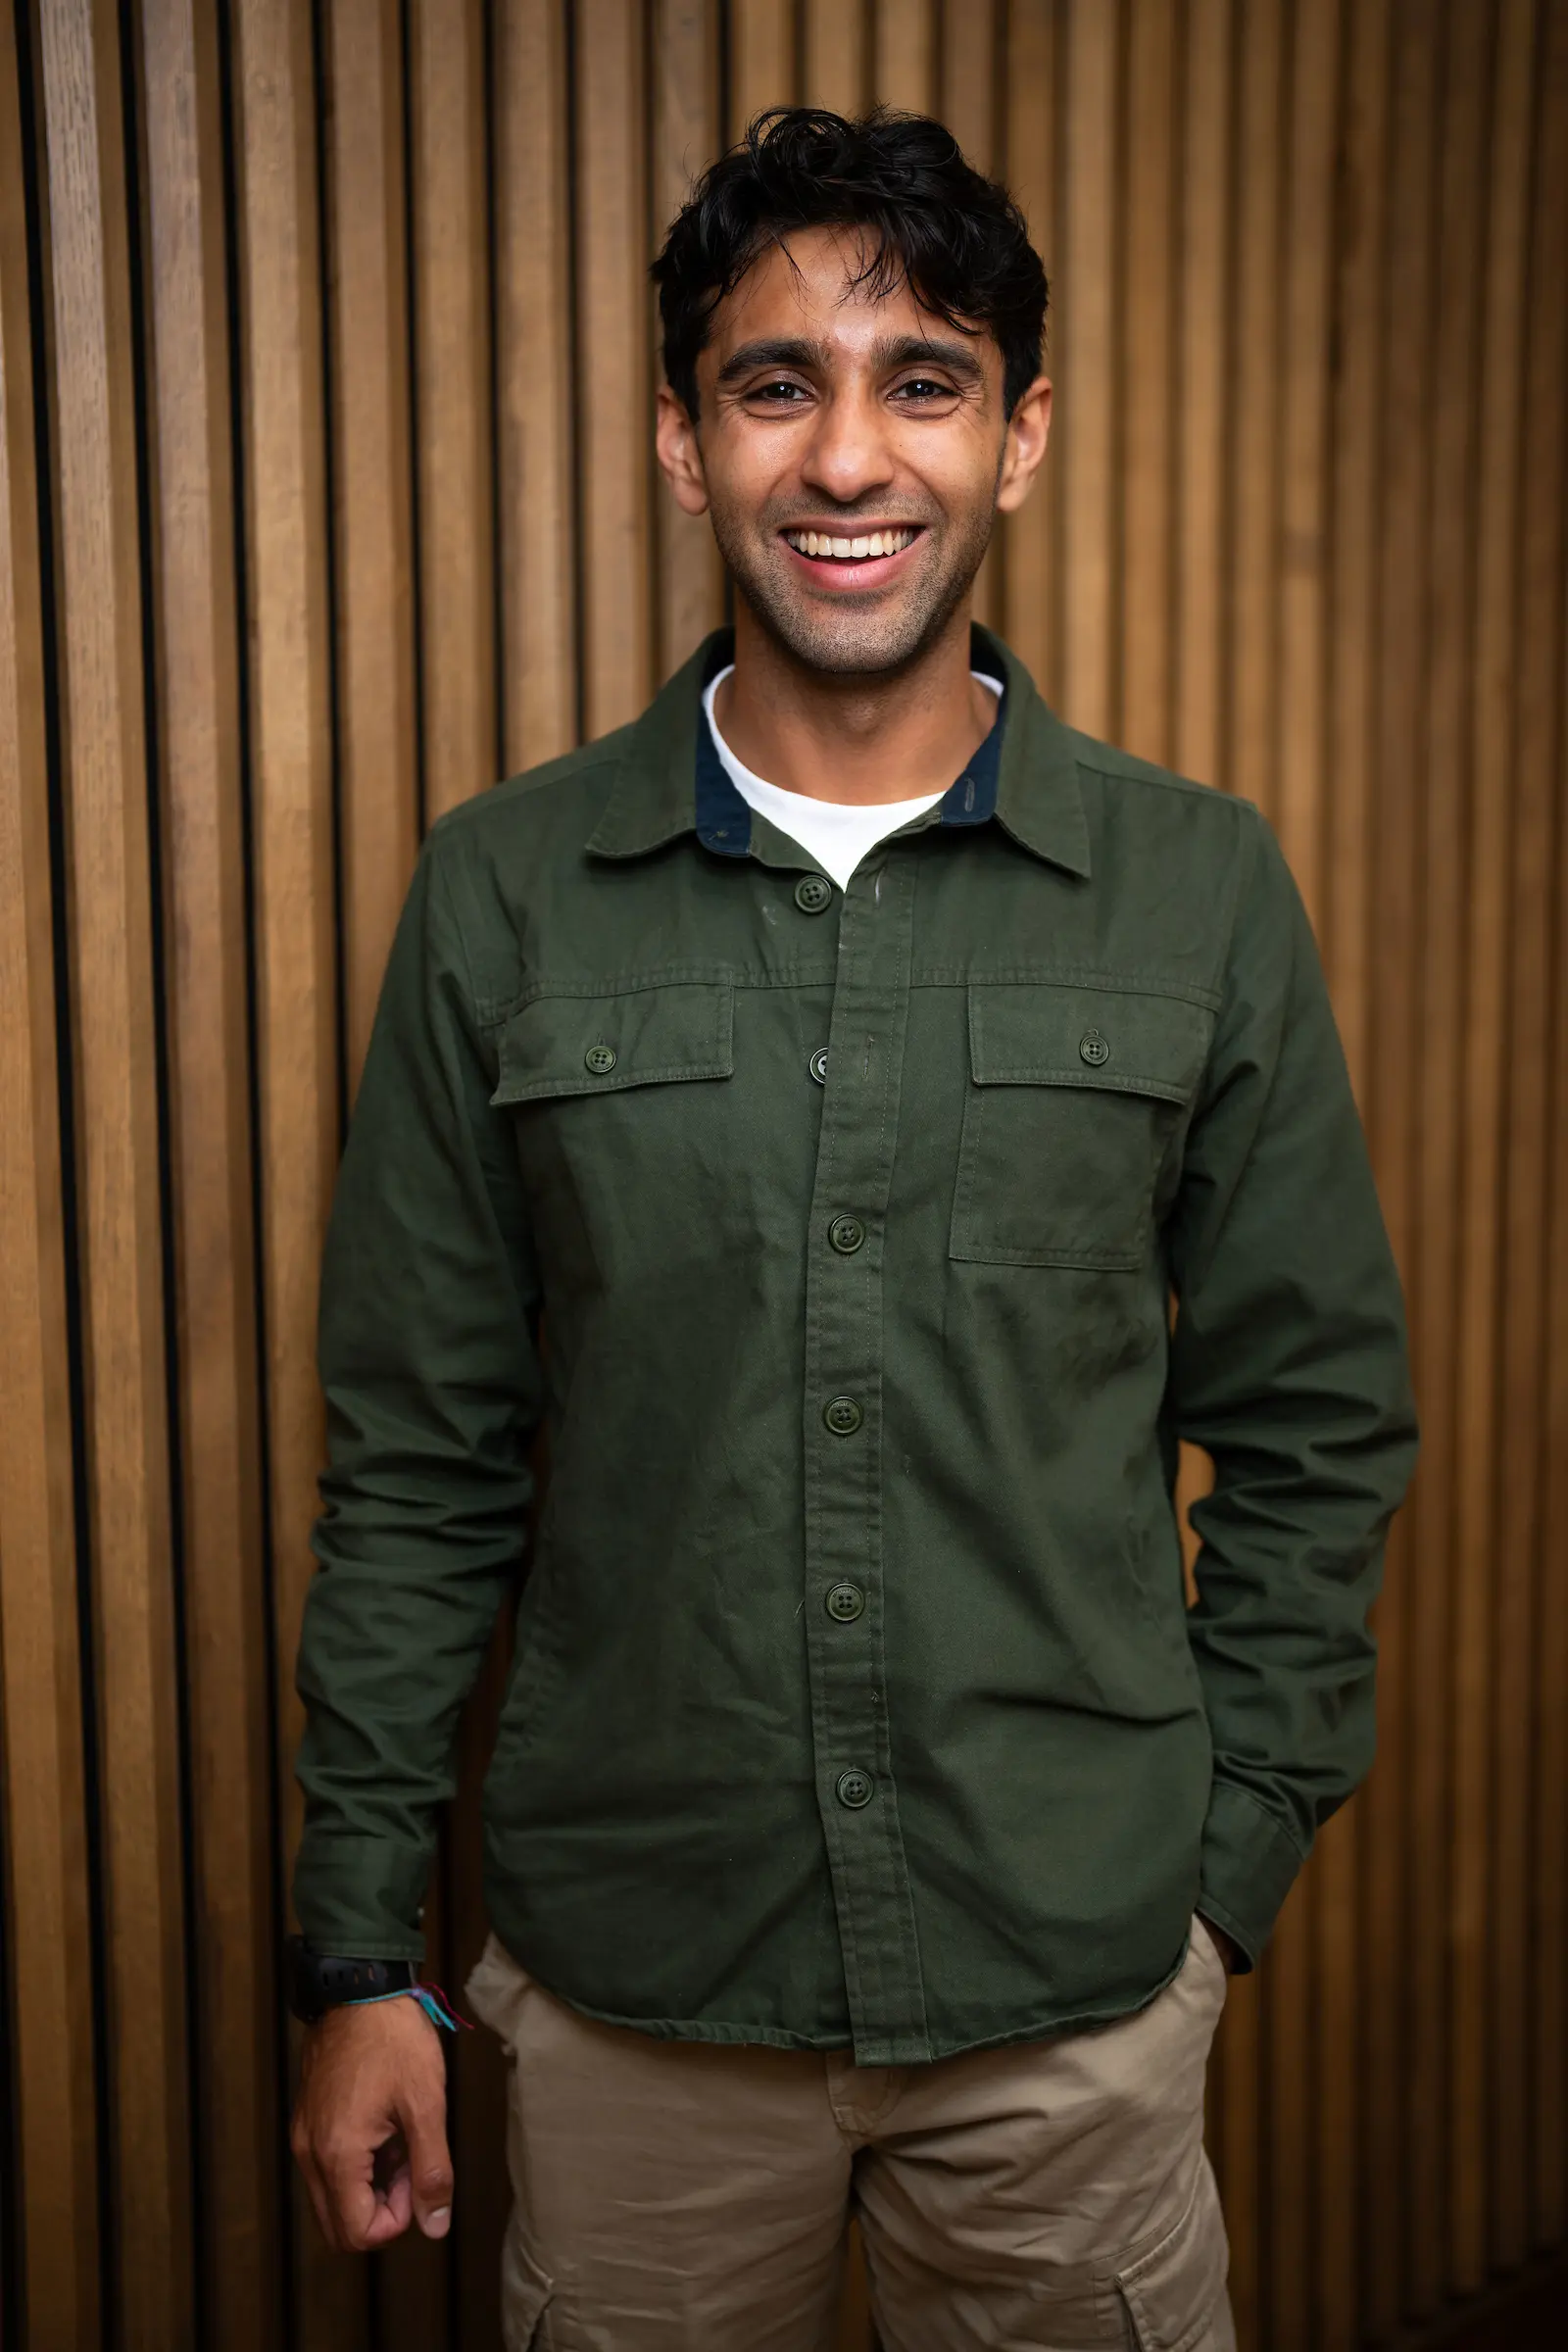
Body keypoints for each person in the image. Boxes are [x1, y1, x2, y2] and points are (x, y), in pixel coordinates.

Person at [286, 107, 1418, 2351]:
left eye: (921, 377)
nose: (846, 458)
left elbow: (1314, 1424)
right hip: (634, 2012)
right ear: (680, 445)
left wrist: (1217, 1888)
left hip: (1072, 2004)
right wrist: (358, 1957)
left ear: (1017, 438)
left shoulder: (1195, 886)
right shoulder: (501, 892)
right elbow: (416, 1471)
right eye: (772, 381)